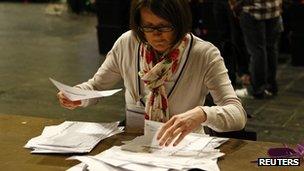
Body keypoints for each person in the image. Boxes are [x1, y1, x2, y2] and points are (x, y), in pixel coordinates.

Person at [57, 0, 246, 147]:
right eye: (148, 27)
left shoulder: (203, 54)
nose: (156, 34)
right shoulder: (127, 44)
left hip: (183, 147)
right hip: (135, 144)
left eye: (164, 27)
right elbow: (96, 87)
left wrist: (203, 114)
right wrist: (77, 95)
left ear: (179, 23)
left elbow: (237, 115)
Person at [233, 0, 283, 99]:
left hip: (253, 10)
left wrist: (235, 6)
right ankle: (270, 86)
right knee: (270, 49)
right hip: (273, 9)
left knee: (257, 51)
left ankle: (257, 89)